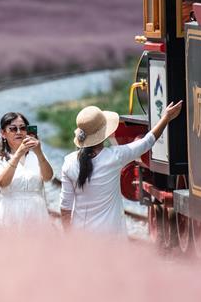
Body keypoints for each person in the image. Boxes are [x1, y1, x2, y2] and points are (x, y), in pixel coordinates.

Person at [60, 100, 183, 238]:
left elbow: (65, 208)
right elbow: (147, 141)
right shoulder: (115, 157)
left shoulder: (69, 163)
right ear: (103, 134)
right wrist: (166, 118)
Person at [0, 112, 54, 228]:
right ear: (3, 133)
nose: (19, 132)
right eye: (13, 129)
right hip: (11, 214)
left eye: (23, 128)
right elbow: (2, 182)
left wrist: (39, 152)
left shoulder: (37, 156)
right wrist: (18, 153)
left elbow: (48, 177)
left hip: (37, 213)